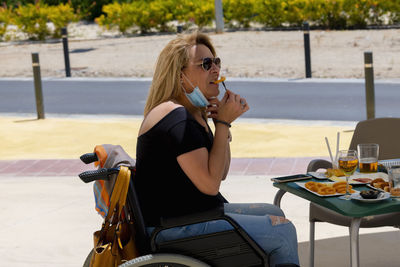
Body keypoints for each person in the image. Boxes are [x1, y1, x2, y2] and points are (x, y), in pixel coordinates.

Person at [134, 31, 299, 267]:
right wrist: (222, 123)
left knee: (275, 213)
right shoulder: (176, 118)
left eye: (216, 62)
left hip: (191, 216)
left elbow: (220, 171)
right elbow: (211, 185)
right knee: (283, 232)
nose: (216, 70)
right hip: (174, 228)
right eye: (205, 64)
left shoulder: (189, 113)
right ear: (180, 75)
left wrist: (221, 125)